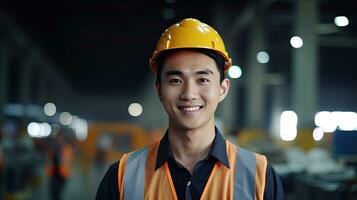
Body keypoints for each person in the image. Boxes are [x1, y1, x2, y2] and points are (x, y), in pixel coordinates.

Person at [96, 18, 286, 200]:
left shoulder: (260, 177)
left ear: (223, 88)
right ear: (159, 89)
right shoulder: (122, 177)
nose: (189, 94)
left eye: (202, 80)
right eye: (175, 81)